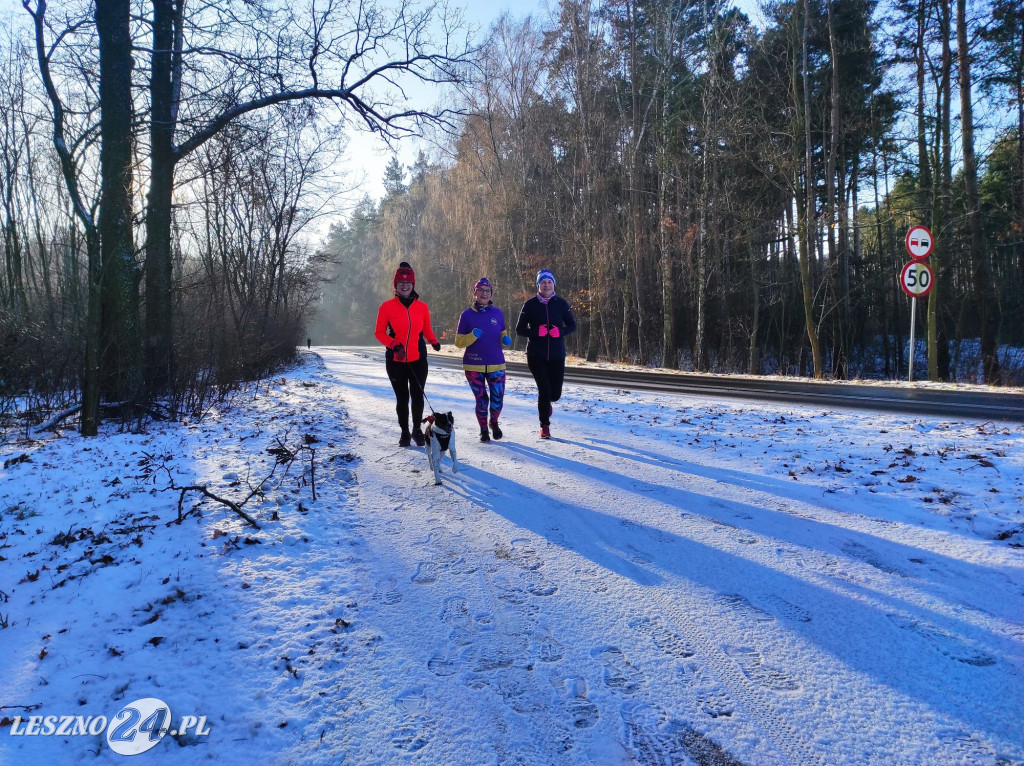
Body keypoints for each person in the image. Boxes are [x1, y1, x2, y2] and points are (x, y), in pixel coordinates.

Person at [374, 262, 441, 447]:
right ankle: (404, 432)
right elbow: (379, 333)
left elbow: (426, 328)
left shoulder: (422, 307)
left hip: (418, 358)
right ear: (395, 285)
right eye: (401, 283)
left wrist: (433, 340)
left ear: (413, 285)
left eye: (408, 283)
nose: (405, 286)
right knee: (402, 398)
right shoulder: (386, 307)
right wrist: (394, 344)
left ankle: (417, 431)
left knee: (418, 396)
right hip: (396, 360)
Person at [515, 268, 576, 439]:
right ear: (538, 285)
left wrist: (561, 332)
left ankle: (548, 405)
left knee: (554, 394)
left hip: (557, 355)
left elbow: (572, 325)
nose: (547, 285)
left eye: (549, 282)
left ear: (553, 284)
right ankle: (544, 425)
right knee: (544, 390)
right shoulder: (530, 305)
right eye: (543, 282)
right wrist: (535, 331)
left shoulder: (561, 304)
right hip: (536, 355)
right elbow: (519, 330)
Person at [455, 277, 512, 442]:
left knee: (497, 399)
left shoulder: (498, 313)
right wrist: (472, 336)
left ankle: (493, 422)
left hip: (497, 363)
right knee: (482, 400)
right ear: (475, 292)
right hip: (473, 365)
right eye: (481, 290)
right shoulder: (466, 315)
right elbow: (458, 342)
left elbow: (502, 334)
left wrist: (505, 340)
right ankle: (483, 430)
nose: (484, 293)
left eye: (487, 291)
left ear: (491, 293)